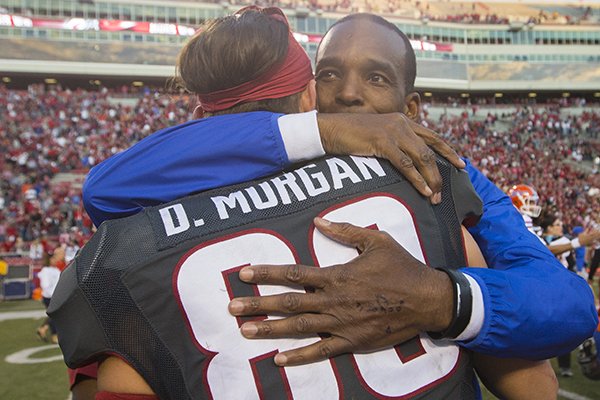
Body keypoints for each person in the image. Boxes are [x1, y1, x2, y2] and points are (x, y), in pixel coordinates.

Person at [51, 7, 558, 400]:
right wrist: (444, 301)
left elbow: (113, 377)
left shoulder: (119, 259)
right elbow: (531, 379)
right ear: (306, 99)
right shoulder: (425, 194)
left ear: (199, 113)